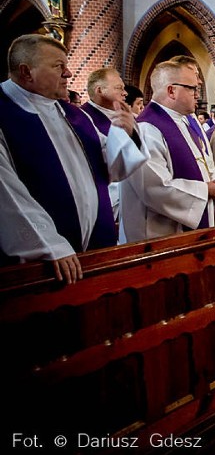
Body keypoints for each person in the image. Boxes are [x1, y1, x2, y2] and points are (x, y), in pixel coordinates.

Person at [0, 34, 147, 283]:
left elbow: (113, 167)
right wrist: (49, 244)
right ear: (26, 72)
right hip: (47, 263)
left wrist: (126, 134)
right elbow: (6, 193)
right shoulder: (5, 114)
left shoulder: (74, 114)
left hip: (95, 247)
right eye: (59, 66)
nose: (68, 73)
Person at [121, 58, 215, 243]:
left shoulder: (185, 121)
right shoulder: (147, 129)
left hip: (192, 225)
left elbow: (203, 162)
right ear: (171, 90)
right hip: (161, 234)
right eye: (193, 88)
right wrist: (204, 190)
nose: (197, 95)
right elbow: (154, 186)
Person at [81, 68, 130, 221]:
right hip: (104, 198)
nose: (125, 93)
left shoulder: (127, 116)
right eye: (119, 88)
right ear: (100, 90)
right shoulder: (82, 119)